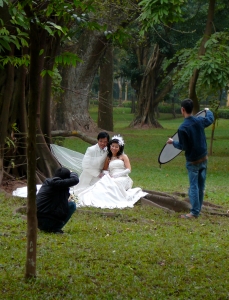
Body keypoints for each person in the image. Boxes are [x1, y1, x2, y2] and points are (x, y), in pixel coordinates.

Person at [166, 98, 214, 219]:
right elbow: (210, 119)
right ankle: (197, 209)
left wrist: (173, 142)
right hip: (204, 158)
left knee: (194, 186)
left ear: (183, 110)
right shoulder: (199, 121)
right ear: (192, 109)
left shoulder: (183, 128)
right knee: (201, 186)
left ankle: (194, 212)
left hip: (193, 162)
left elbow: (183, 146)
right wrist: (208, 110)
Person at [77, 135, 148, 209]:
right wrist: (108, 175)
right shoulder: (108, 157)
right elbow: (105, 169)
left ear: (120, 148)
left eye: (116, 147)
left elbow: (128, 169)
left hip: (123, 177)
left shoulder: (123, 156)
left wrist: (117, 175)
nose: (114, 148)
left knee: (113, 184)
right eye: (112, 146)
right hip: (112, 177)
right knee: (102, 184)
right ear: (110, 146)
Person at [36, 167, 79, 233]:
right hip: (47, 220)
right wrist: (72, 173)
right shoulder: (57, 184)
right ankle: (55, 228)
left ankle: (50, 228)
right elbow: (75, 180)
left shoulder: (49, 183)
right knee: (72, 205)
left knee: (68, 203)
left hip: (37, 220)